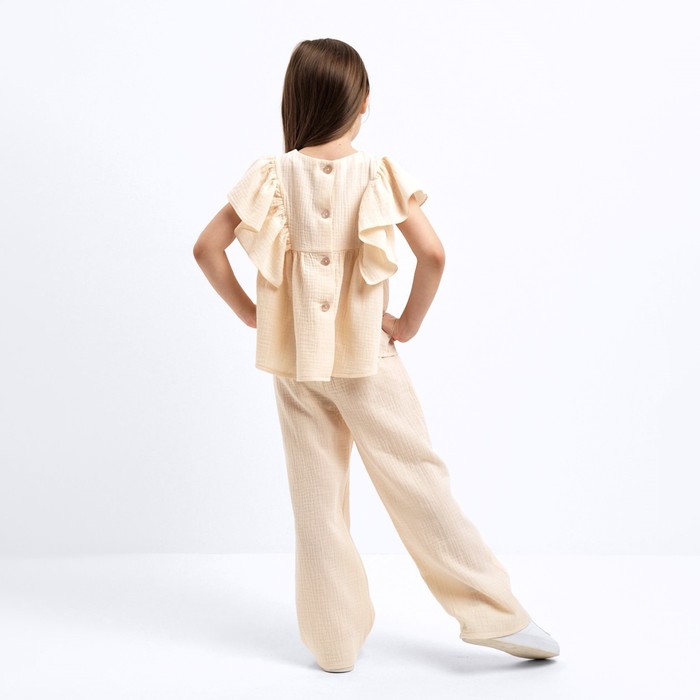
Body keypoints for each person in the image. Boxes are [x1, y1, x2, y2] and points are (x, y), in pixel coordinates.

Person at [192, 37, 560, 673]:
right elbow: (433, 254)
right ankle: (497, 616)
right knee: (417, 480)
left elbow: (206, 248)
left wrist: (255, 316)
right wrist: (407, 324)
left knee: (317, 502)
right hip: (368, 358)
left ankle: (333, 642)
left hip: (296, 364)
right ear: (363, 102)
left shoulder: (271, 175)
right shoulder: (378, 173)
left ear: (295, 100)